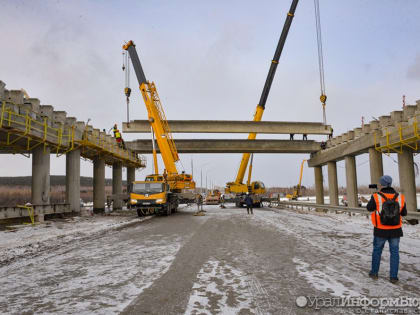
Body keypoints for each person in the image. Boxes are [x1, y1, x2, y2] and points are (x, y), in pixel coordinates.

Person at [366, 175, 407, 283]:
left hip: (380, 230)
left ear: (381, 184)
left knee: (377, 251)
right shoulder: (400, 197)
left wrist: (373, 197)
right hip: (396, 230)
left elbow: (369, 208)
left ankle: (374, 273)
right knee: (394, 253)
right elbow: (404, 213)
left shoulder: (376, 196)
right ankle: (393, 277)